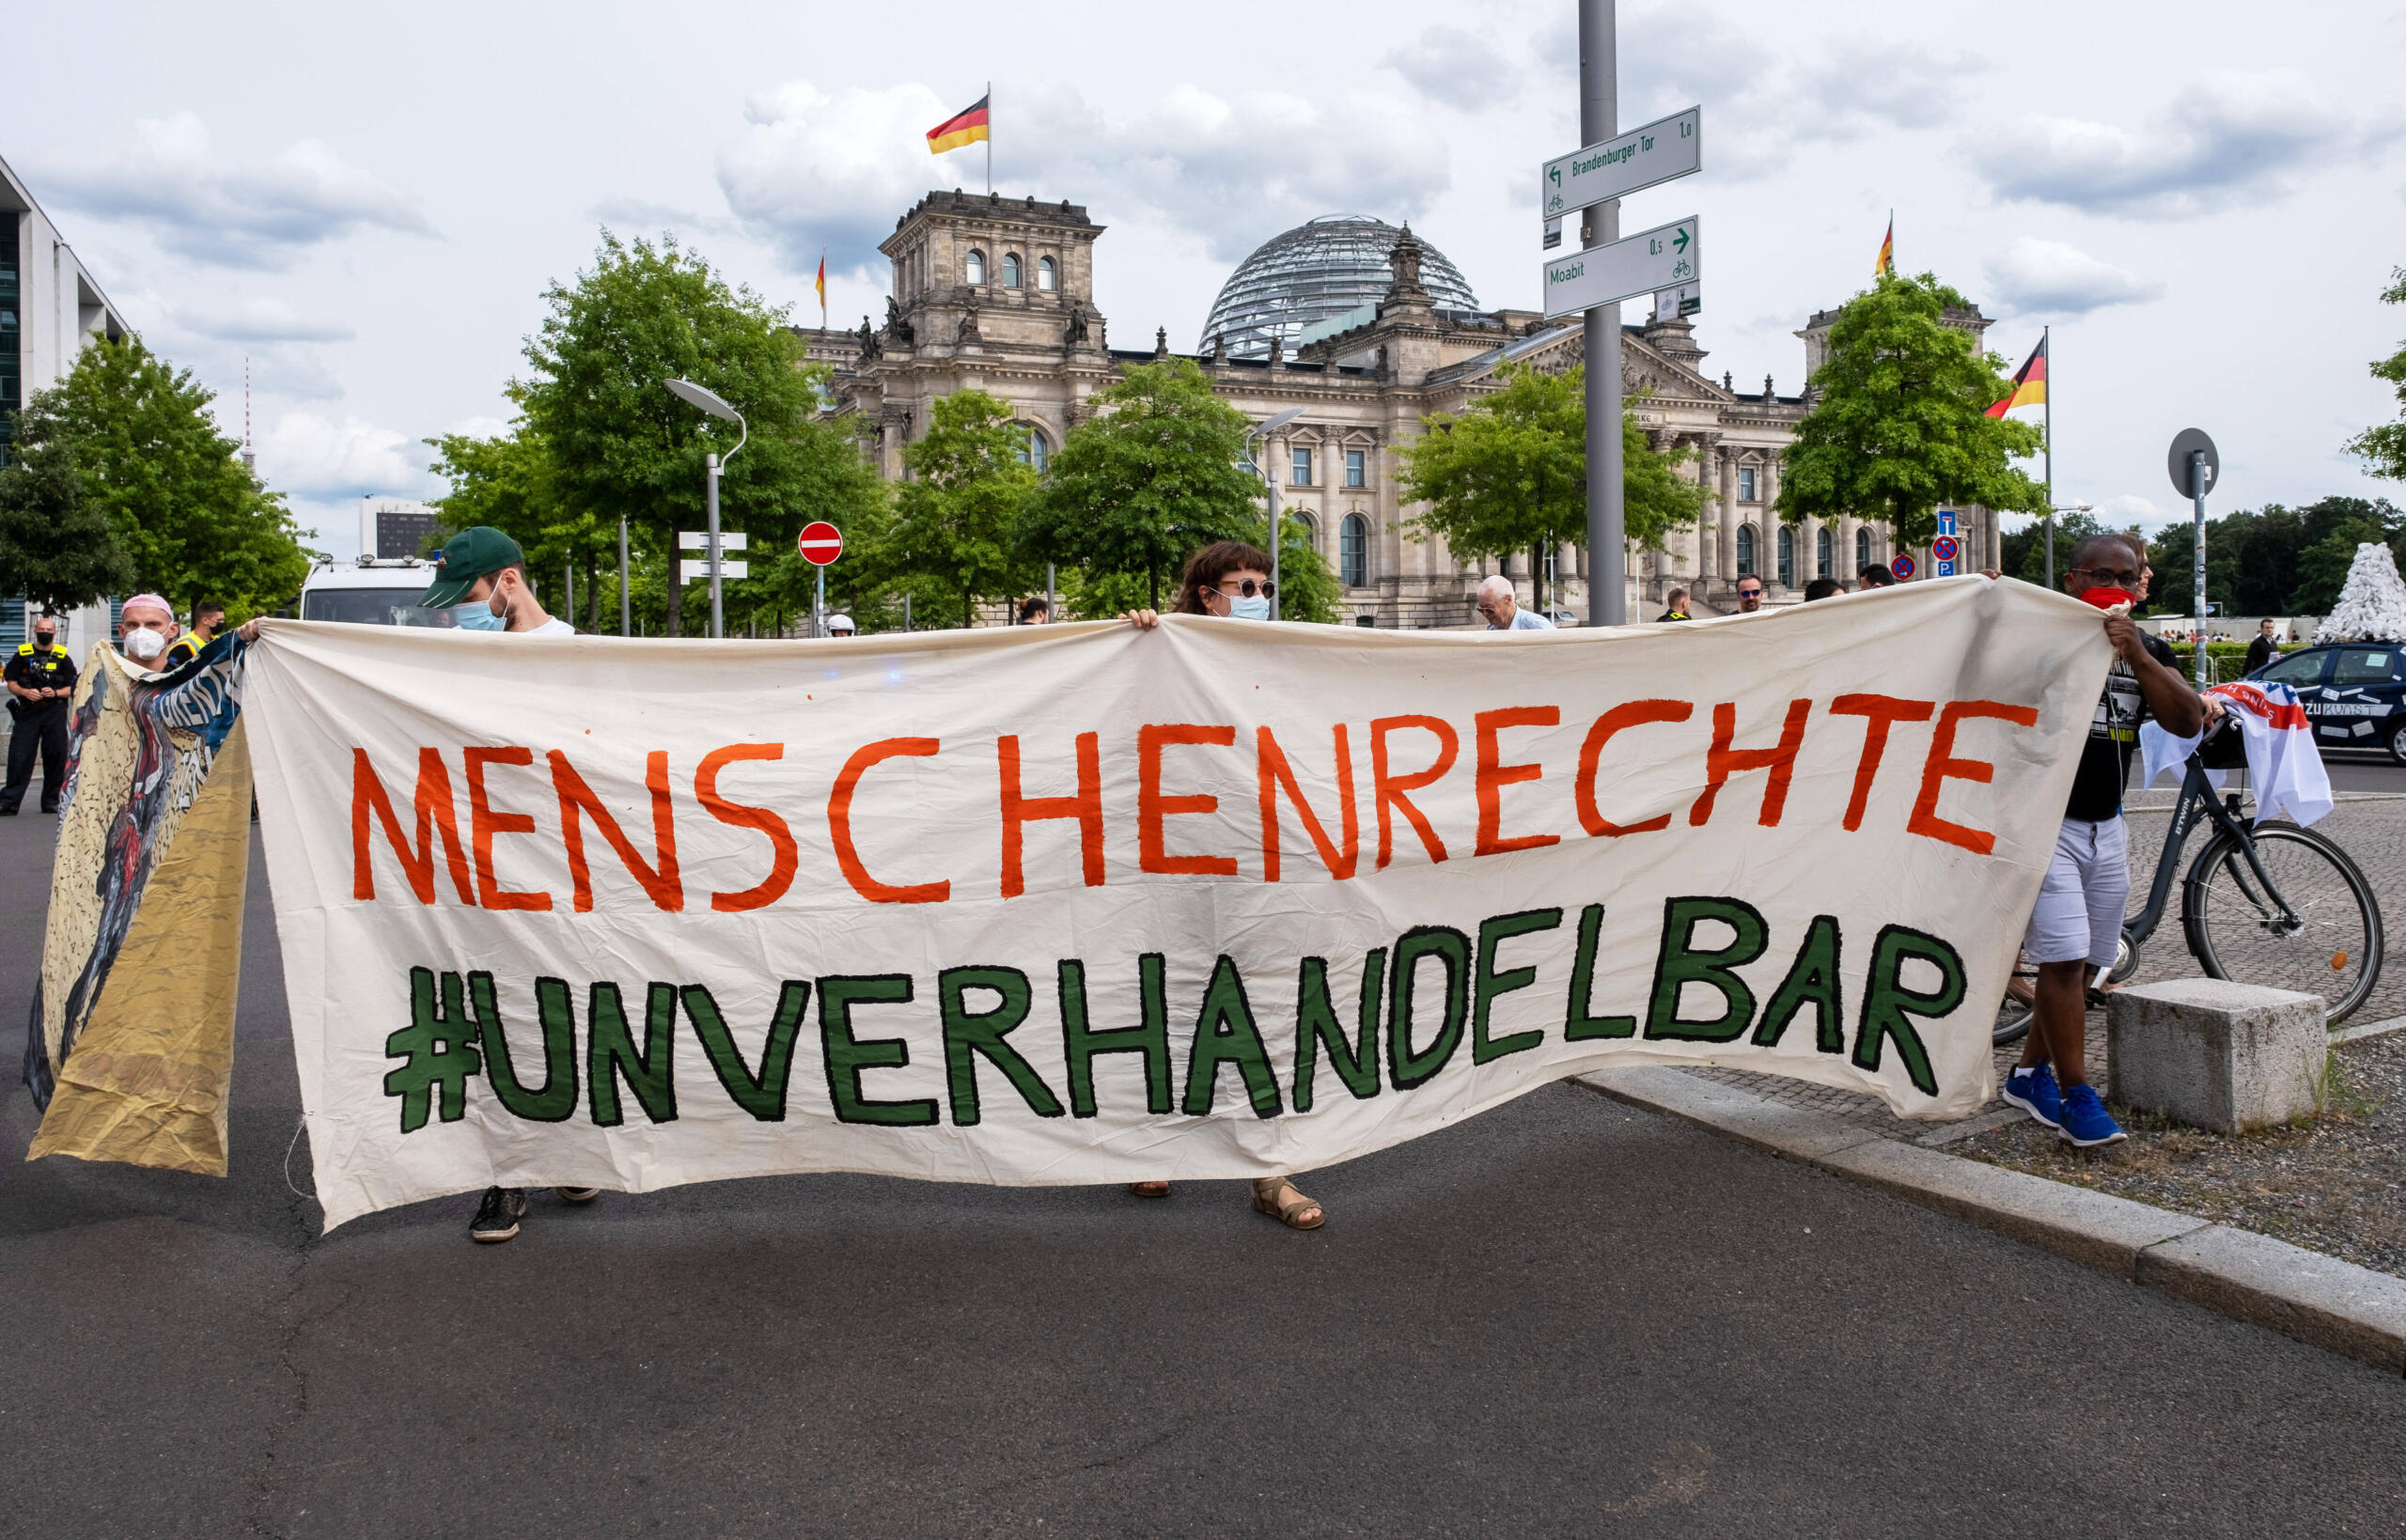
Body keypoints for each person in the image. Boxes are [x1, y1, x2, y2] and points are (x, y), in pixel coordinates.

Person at [1123, 539, 1324, 1232]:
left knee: (1264, 1001)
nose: (1258, 595)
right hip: (1174, 852)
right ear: (1207, 593)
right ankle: (1157, 1141)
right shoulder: (1164, 647)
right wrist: (1139, 636)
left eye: (1264, 584)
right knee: (1174, 995)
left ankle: (1269, 1170)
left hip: (1256, 853)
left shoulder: (1278, 657)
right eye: (1244, 585)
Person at [414, 526, 590, 1239]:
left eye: (473, 594)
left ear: (509, 581)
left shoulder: (578, 654)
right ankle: (508, 1174)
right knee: (497, 1010)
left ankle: (569, 1150)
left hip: (562, 863)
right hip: (487, 864)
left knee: (563, 1009)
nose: (462, 610)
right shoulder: (468, 658)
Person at [2001, 535, 2205, 1148]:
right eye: (2101, 574)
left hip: (2107, 824)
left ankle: (2028, 1074)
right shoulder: (2042, 641)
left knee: (2092, 959)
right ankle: (2076, 1094)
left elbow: (2188, 718)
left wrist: (2137, 655)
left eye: (2128, 574)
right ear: (2072, 580)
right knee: (2061, 960)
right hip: (2048, 823)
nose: (2115, 584)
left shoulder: (2146, 647)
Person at [2, 614, 78, 816]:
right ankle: (9, 803)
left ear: (55, 632)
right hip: (27, 712)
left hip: (54, 711)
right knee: (20, 756)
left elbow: (73, 688)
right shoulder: (23, 654)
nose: (45, 633)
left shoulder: (63, 657)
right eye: (41, 630)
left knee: (56, 755)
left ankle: (51, 801)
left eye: (48, 630)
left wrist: (54, 692)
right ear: (35, 631)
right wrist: (25, 692)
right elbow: (11, 682)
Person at [117, 593, 180, 665]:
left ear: (172, 630)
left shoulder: (187, 675)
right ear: (121, 631)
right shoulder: (104, 675)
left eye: (152, 624)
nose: (141, 633)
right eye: (133, 625)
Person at [1473, 574, 1552, 630]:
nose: (1485, 614)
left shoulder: (1535, 625)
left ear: (1508, 600)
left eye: (1489, 608)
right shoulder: (1492, 629)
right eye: (1481, 609)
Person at [165, 599, 226, 666]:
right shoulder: (183, 647)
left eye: (223, 620)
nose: (222, 623)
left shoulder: (217, 641)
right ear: (205, 620)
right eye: (219, 620)